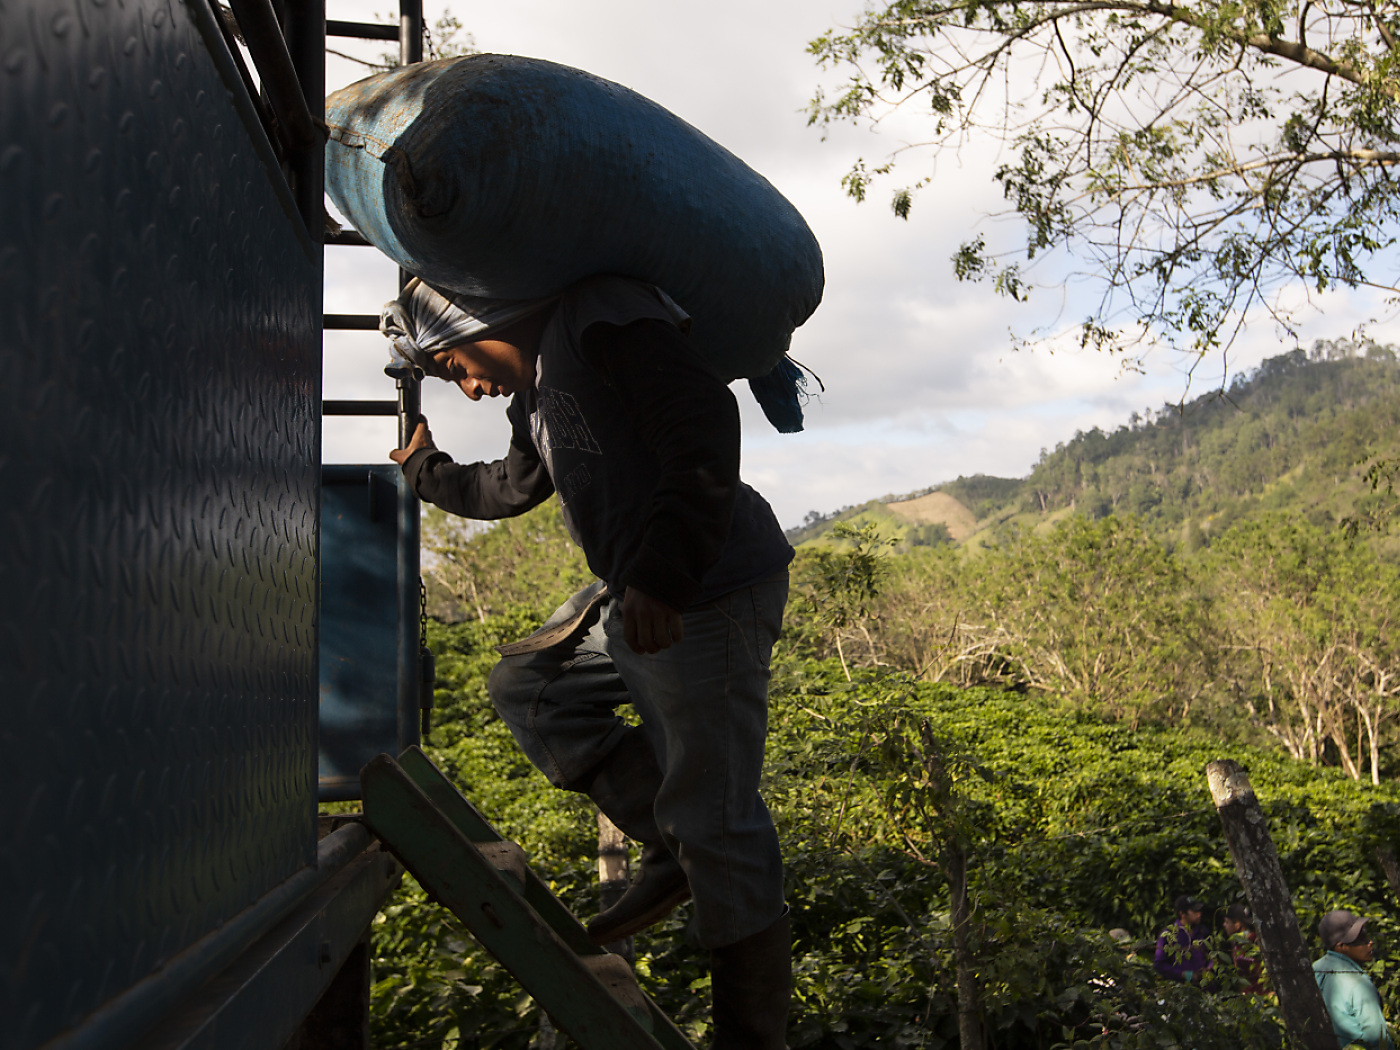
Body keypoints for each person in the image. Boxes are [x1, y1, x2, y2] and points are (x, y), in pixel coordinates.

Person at [383, 275, 795, 1049]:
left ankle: (751, 1036)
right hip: (640, 587)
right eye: (451, 380)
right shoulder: (532, 396)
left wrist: (663, 577)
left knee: (720, 822)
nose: (469, 388)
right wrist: (425, 471)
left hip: (707, 588)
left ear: (487, 315)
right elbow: (507, 487)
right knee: (531, 687)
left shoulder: (600, 322)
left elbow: (703, 423)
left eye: (458, 365)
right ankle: (668, 847)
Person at [1314, 909, 1395, 1049]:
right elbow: (1377, 1037)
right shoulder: (1358, 982)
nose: (1369, 942)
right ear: (1341, 947)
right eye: (1360, 939)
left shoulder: (1314, 969)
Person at [1153, 895, 1212, 984]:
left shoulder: (1203, 931)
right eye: (1194, 911)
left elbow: (1212, 955)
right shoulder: (1169, 935)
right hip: (1180, 988)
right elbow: (1159, 964)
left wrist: (1208, 969)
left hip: (1204, 986)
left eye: (1199, 911)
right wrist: (1184, 975)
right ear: (1182, 914)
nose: (1199, 914)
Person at [1222, 903, 1265, 994]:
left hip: (1260, 994)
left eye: (1227, 922)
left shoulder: (1254, 941)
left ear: (1237, 925)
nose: (1224, 925)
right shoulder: (1236, 943)